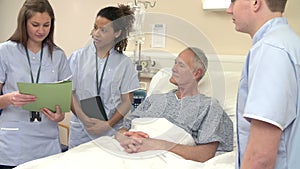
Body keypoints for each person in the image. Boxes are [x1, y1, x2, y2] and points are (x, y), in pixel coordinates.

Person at [115, 47, 233, 162]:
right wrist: (126, 138)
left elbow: (205, 154)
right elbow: (123, 129)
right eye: (175, 63)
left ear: (196, 73)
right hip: (126, 148)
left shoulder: (209, 106)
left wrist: (157, 144)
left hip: (164, 157)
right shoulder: (154, 98)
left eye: (181, 65)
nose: (173, 68)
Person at [227, 0, 300, 168]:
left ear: (255, 2)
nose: (229, 10)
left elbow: (260, 157)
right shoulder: (291, 42)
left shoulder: (271, 50)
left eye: (233, 1)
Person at [0, 0, 72, 168]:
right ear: (23, 23)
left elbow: (66, 97)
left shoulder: (58, 55)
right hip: (14, 144)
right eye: (35, 24)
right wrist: (9, 98)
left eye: (46, 25)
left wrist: (60, 116)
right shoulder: (5, 51)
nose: (41, 30)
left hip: (47, 144)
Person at [68, 4, 140, 148]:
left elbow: (127, 101)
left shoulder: (124, 64)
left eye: (103, 30)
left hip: (110, 132)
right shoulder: (78, 57)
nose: (96, 33)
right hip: (81, 130)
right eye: (95, 27)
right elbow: (69, 93)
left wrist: (107, 124)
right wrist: (83, 119)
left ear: (117, 33)